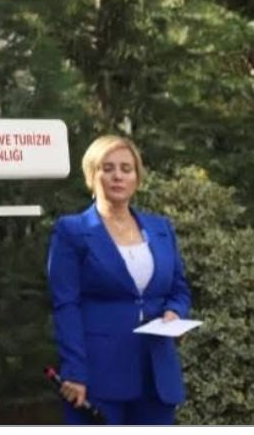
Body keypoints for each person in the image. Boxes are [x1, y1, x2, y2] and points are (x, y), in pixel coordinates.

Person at [46, 135, 192, 424]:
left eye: (126, 169)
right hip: (98, 375)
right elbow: (66, 305)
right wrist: (74, 370)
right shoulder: (71, 231)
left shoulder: (161, 228)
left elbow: (179, 289)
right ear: (91, 175)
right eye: (108, 168)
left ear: (137, 177)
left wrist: (175, 312)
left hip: (156, 374)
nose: (118, 176)